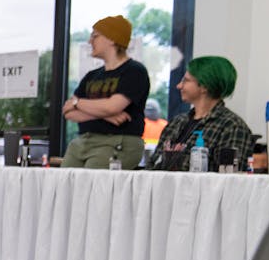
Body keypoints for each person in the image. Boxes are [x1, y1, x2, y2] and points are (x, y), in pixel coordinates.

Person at [61, 15, 150, 170]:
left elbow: (112, 106)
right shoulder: (92, 75)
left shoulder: (134, 71)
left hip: (117, 141)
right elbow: (68, 112)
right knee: (63, 184)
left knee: (93, 186)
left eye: (95, 36)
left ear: (111, 39)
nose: (90, 41)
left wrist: (78, 103)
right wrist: (105, 114)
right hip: (83, 140)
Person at [148, 56, 255, 171]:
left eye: (186, 80)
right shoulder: (176, 122)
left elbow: (227, 180)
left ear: (204, 86)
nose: (179, 86)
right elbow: (152, 166)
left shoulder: (232, 127)